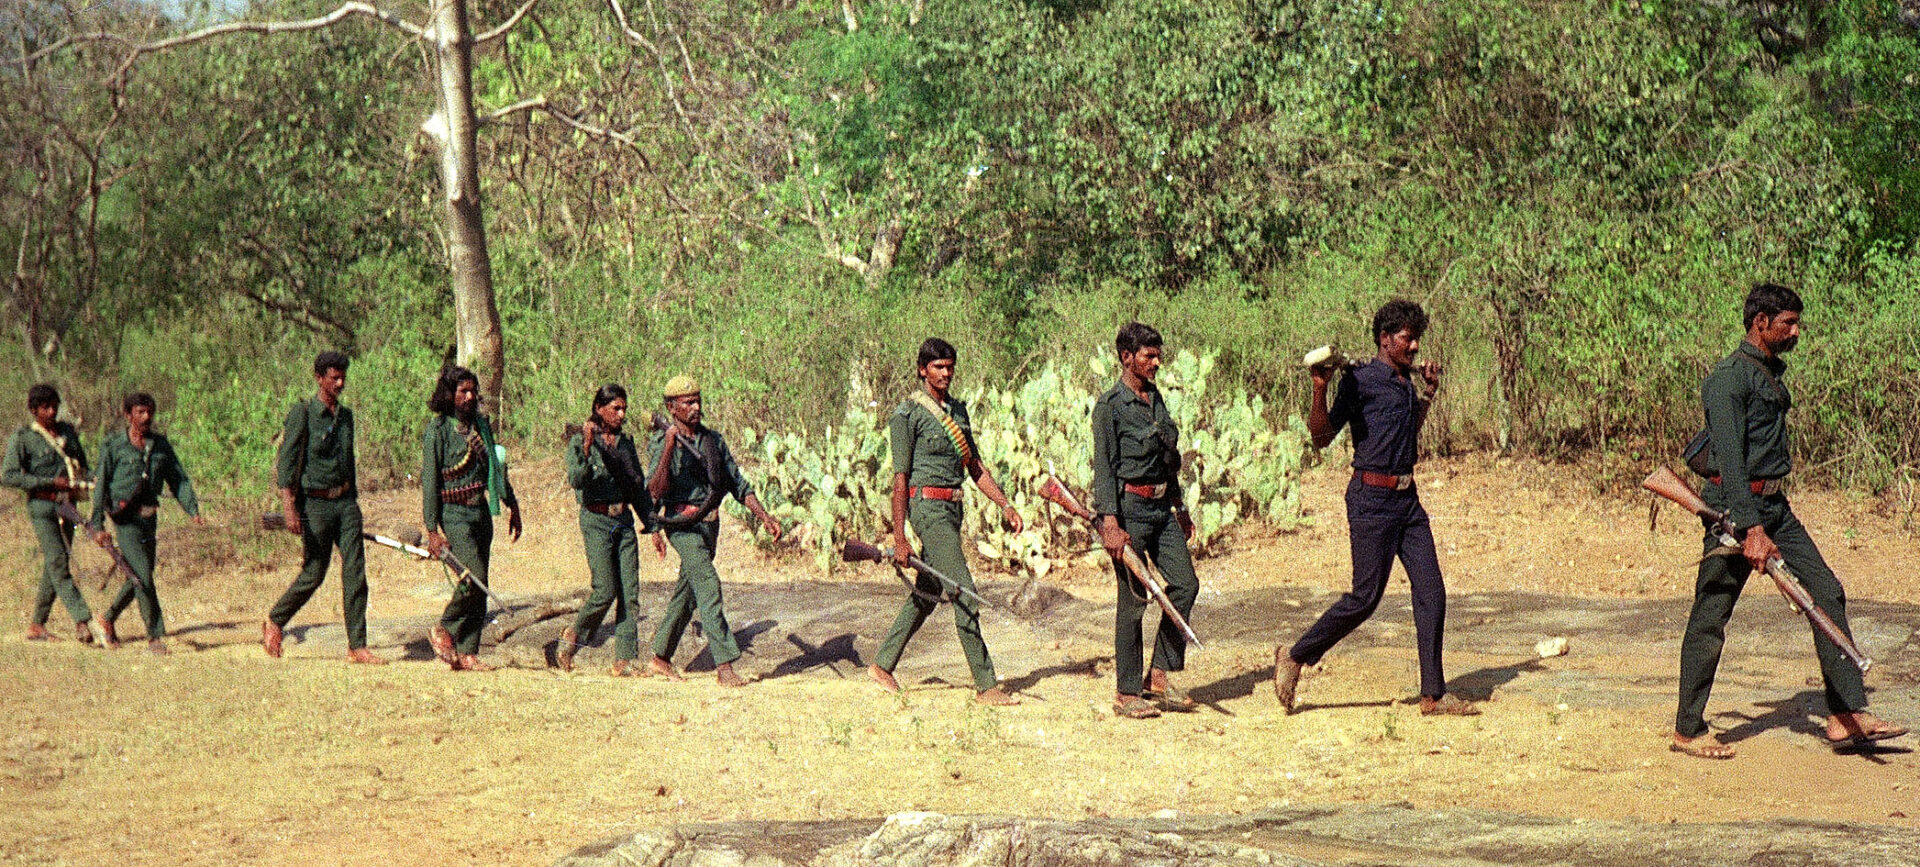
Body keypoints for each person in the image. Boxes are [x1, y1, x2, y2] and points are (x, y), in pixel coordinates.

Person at [1670, 283, 1907, 758]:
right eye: (1789, 323)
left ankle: (1845, 714)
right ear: (1761, 322)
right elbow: (1730, 462)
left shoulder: (1766, 372)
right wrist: (1751, 530)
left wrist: (1767, 520)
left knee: (1826, 592)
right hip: (1735, 510)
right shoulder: (1727, 379)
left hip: (1775, 508)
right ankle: (1688, 730)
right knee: (1711, 615)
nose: (1797, 331)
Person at [1273, 300, 1479, 717]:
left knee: (1432, 592)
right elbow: (1321, 437)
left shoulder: (1405, 382)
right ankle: (1295, 656)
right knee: (1365, 598)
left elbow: (1407, 431)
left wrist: (1429, 392)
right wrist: (1319, 388)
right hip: (1371, 501)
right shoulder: (1359, 380)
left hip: (1407, 501)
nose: (1415, 346)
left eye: (1417, 338)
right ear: (1385, 339)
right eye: (1407, 338)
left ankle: (1433, 695)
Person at [868, 339, 1023, 706]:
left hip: (953, 510)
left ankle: (882, 665)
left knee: (927, 592)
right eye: (938, 367)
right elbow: (900, 481)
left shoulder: (959, 411)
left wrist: (1004, 504)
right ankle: (986, 685)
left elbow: (975, 467)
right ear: (923, 370)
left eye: (950, 367)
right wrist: (899, 537)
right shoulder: (907, 415)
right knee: (963, 591)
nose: (946, 373)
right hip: (928, 510)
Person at [641, 375, 783, 685]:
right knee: (708, 585)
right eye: (687, 402)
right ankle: (725, 667)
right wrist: (669, 447)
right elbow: (654, 490)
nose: (695, 407)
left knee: (689, 592)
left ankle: (660, 658)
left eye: (698, 401)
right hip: (682, 528)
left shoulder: (712, 441)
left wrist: (764, 516)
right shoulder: (662, 443)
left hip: (709, 527)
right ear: (671, 408)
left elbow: (737, 483)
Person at [1091, 323, 1199, 719]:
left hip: (1161, 508)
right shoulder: (1109, 406)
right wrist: (1110, 523)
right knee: (1134, 599)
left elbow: (1168, 458)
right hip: (1129, 511)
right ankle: (1126, 692)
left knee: (1185, 584)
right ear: (1126, 358)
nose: (1156, 362)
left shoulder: (1155, 398)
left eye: (1158, 355)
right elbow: (1104, 467)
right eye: (1148, 356)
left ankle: (1159, 675)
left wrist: (1180, 507)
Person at [263, 351, 384, 664]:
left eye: (343, 377)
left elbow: (349, 462)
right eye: (334, 378)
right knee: (315, 572)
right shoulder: (303, 413)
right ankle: (276, 620)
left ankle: (357, 646)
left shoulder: (346, 417)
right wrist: (289, 507)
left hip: (345, 504)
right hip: (314, 505)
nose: (340, 383)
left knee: (355, 572)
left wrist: (353, 503)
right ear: (319, 378)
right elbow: (287, 462)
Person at [422, 366, 522, 672]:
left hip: (480, 511)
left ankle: (468, 653)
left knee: (482, 583)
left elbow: (496, 469)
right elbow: (430, 483)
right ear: (449, 394)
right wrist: (432, 530)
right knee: (471, 576)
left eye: (472, 390)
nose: (469, 396)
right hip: (454, 514)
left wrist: (512, 505)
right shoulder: (438, 430)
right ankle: (445, 627)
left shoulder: (481, 426)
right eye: (463, 391)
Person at [89, 392, 205, 654]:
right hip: (125, 520)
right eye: (140, 412)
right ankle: (155, 636)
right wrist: (97, 526)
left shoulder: (160, 445)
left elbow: (178, 480)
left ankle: (107, 618)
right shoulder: (113, 446)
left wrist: (192, 509)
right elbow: (100, 486)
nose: (146, 417)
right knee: (141, 574)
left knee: (141, 575)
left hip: (149, 519)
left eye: (150, 411)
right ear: (128, 415)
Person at [558, 384, 656, 676]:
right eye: (616, 408)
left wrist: (652, 526)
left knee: (630, 592)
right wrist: (588, 448)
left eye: (624, 408)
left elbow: (636, 486)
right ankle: (575, 632)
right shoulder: (580, 440)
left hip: (623, 521)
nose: (621, 414)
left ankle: (624, 659)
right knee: (605, 589)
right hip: (596, 520)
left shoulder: (625, 443)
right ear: (599, 409)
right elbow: (577, 480)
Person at [3, 384, 97, 644]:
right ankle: (82, 620)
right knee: (57, 561)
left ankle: (37, 625)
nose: (52, 412)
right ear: (34, 410)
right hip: (42, 507)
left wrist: (95, 479)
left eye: (55, 406)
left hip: (68, 506)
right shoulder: (24, 437)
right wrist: (47, 482)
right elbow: (8, 476)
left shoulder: (68, 432)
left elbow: (83, 467)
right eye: (46, 407)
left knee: (56, 562)